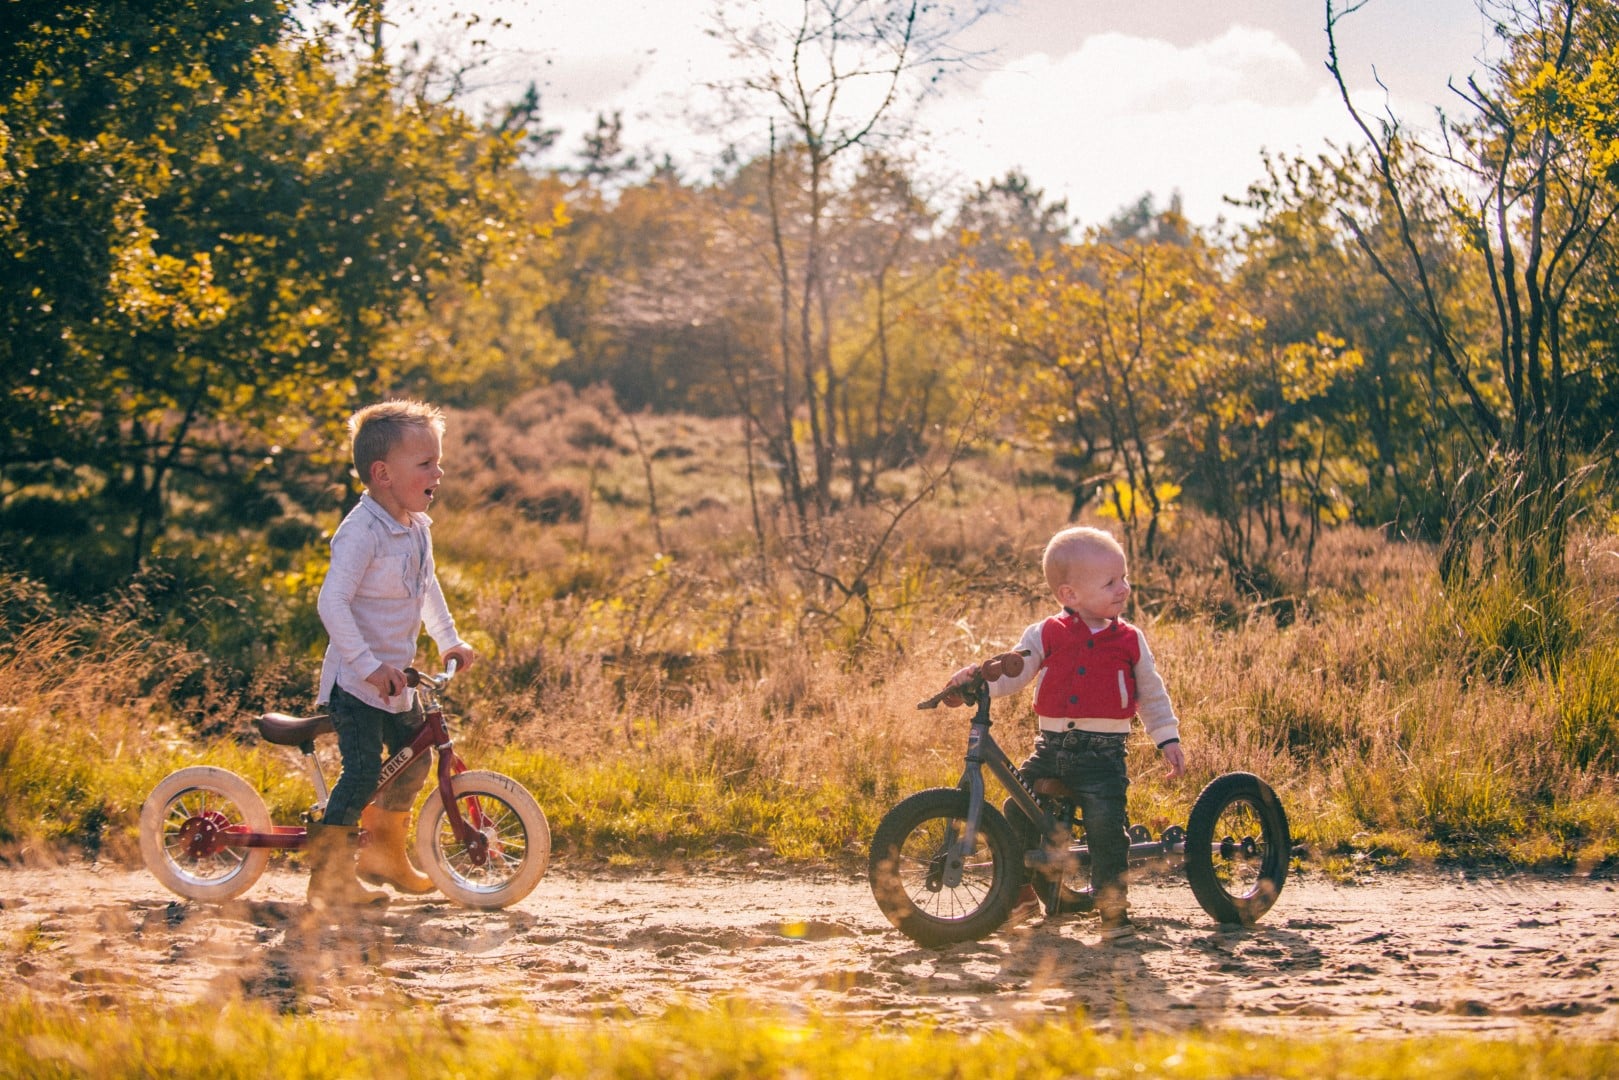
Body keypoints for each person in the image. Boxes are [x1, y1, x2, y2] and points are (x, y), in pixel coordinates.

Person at [946, 525, 1185, 940]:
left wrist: (1168, 738)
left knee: (1106, 827)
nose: (1123, 588)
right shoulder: (1045, 633)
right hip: (1050, 749)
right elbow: (1014, 672)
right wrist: (979, 681)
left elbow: (1151, 693)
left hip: (1103, 755)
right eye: (1111, 582)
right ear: (1069, 595)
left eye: (1124, 577)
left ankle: (1113, 912)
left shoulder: (1129, 639)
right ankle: (1018, 893)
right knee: (1016, 812)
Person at [307, 399, 478, 909]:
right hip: (357, 684)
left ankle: (384, 854)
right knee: (361, 771)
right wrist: (366, 666)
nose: (438, 471)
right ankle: (330, 879)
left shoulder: (414, 526)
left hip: (396, 680)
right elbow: (331, 602)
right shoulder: (361, 532)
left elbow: (426, 588)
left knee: (413, 758)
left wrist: (448, 639)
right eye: (425, 463)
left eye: (437, 461)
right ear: (382, 474)